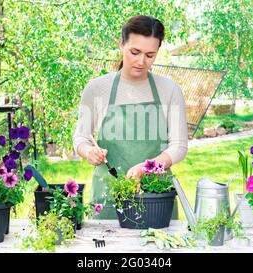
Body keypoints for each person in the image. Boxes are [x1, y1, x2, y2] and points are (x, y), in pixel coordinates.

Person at [73, 15, 188, 219]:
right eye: (135, 52)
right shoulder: (97, 88)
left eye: (150, 55)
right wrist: (88, 151)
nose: (141, 61)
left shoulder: (169, 90)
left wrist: (146, 168)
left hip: (156, 196)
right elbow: (80, 138)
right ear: (121, 43)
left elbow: (179, 146)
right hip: (108, 197)